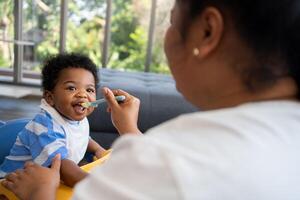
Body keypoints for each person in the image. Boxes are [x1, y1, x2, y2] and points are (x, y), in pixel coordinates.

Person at [2, 0, 300, 199]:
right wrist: (131, 134)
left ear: (207, 31)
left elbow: (158, 169)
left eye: (171, 21)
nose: (83, 95)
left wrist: (41, 194)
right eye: (71, 88)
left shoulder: (168, 160)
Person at [0, 53, 106, 187]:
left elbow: (82, 136)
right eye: (71, 88)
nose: (82, 94)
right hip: (12, 185)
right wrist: (100, 186)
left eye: (89, 90)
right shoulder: (44, 127)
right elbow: (61, 166)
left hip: (46, 180)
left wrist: (98, 149)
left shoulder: (77, 119)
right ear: (50, 97)